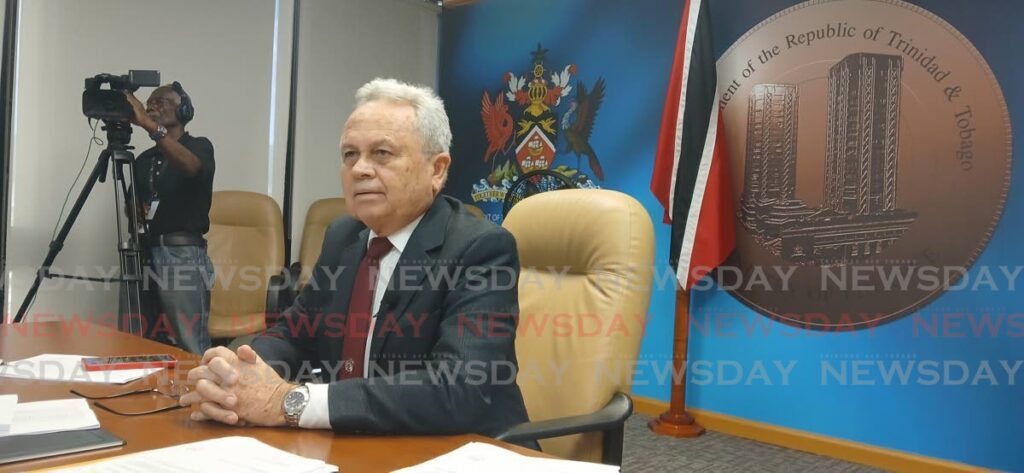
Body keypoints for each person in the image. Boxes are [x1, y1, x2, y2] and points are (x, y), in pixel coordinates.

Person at [179, 78, 531, 439]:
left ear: (437, 170)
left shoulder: (481, 249)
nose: (360, 169)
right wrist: (234, 372)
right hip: (362, 444)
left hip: (465, 450)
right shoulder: (343, 236)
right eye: (350, 154)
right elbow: (296, 332)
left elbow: (459, 388)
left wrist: (288, 401)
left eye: (382, 153)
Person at [125, 83, 216, 354]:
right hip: (145, 253)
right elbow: (131, 206)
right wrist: (135, 210)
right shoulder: (143, 160)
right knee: (142, 341)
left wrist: (152, 128)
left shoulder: (199, 146)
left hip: (182, 256)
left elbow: (190, 168)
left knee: (189, 344)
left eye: (162, 100)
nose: (153, 105)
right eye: (150, 102)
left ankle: (202, 396)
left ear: (184, 109)